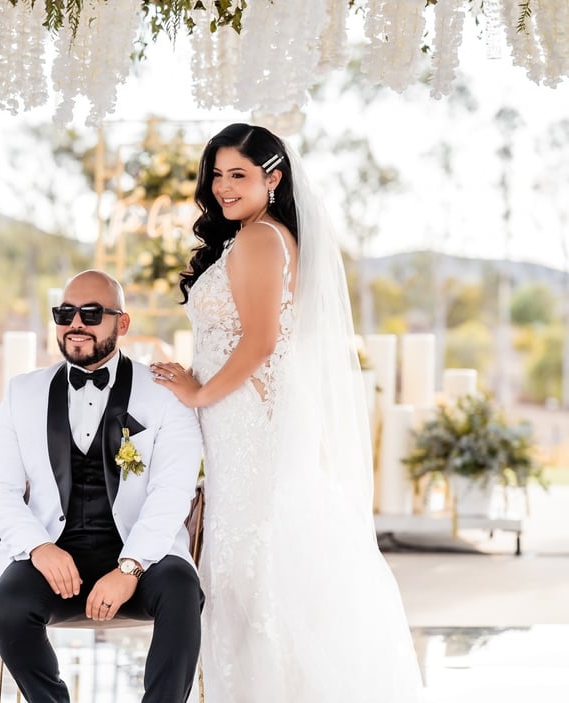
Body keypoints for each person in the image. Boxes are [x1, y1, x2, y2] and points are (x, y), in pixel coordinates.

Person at [151, 124, 425, 701]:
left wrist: (198, 393)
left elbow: (259, 342)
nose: (224, 187)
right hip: (245, 415)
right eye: (218, 174)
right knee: (256, 558)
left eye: (240, 175)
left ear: (273, 179)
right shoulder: (261, 236)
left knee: (254, 563)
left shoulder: (258, 240)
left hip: (247, 417)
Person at [0, 269, 204, 703]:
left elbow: (173, 492)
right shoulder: (22, 393)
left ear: (122, 323)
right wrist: (39, 548)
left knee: (182, 591)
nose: (75, 324)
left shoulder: (164, 394)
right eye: (65, 313)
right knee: (8, 609)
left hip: (141, 552)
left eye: (91, 313)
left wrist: (129, 568)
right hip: (54, 551)